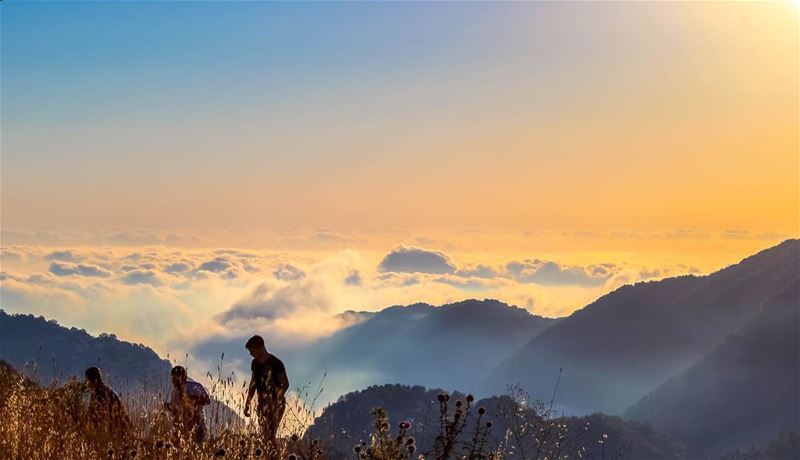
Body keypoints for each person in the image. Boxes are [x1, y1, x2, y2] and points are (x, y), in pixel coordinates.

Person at [244, 335, 289, 454]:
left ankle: (275, 457)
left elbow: (285, 383)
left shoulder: (276, 363)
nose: (251, 354)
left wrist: (276, 399)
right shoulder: (255, 364)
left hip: (276, 404)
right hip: (262, 404)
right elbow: (253, 383)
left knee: (270, 435)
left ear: (259, 348)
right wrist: (247, 403)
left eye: (252, 351)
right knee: (265, 436)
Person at [164, 366, 210, 444]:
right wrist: (168, 407)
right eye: (172, 378)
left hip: (198, 425)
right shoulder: (174, 392)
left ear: (183, 377)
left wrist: (195, 399)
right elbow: (175, 409)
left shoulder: (195, 386)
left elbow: (207, 400)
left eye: (176, 378)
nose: (174, 381)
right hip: (182, 428)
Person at [84, 367, 130, 436]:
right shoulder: (104, 391)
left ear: (91, 380)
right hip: (119, 430)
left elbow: (95, 416)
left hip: (115, 432)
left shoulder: (99, 393)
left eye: (87, 380)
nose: (86, 383)